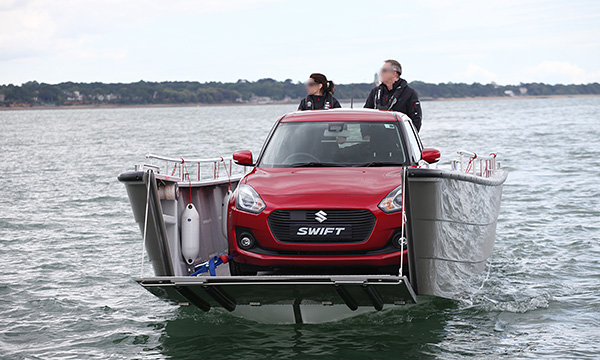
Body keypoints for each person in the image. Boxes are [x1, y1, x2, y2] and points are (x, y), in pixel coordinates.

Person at [364, 60, 422, 131]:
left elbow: (416, 120)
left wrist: (407, 140)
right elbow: (366, 114)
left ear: (394, 74)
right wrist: (365, 135)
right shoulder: (375, 92)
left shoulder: (409, 93)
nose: (380, 73)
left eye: (384, 70)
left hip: (399, 139)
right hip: (375, 137)